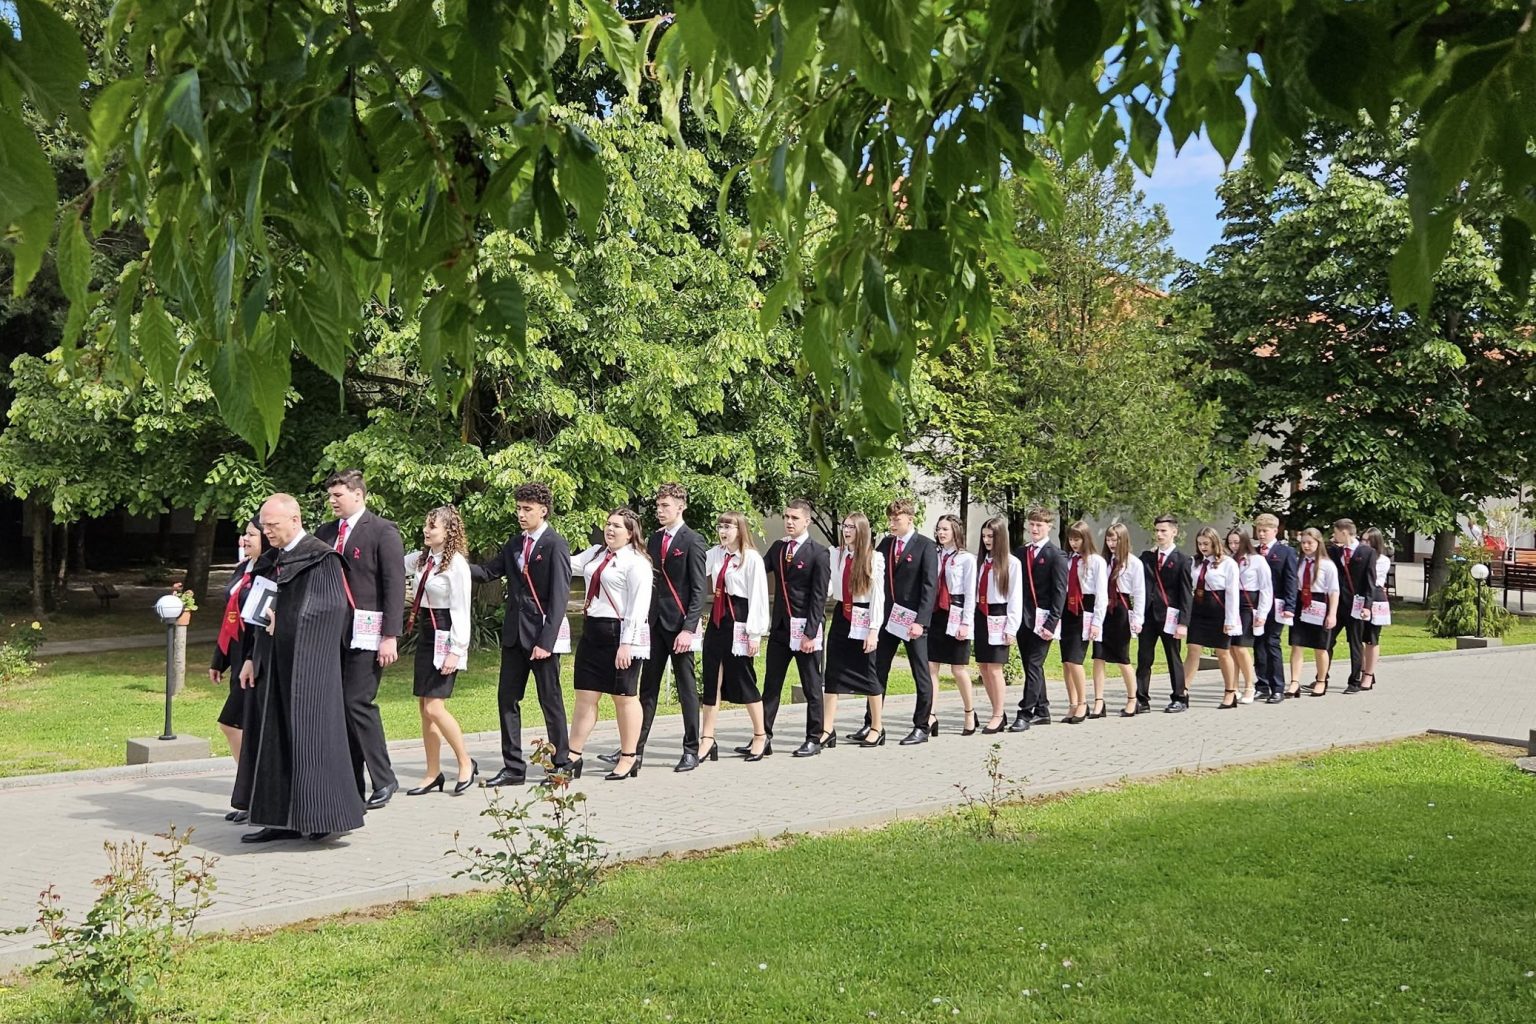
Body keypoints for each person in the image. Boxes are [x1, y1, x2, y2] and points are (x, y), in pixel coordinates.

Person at [236, 494, 365, 843]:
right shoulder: (273, 559)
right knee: (273, 738)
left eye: (272, 525)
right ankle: (277, 819)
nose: (267, 531)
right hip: (272, 665)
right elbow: (260, 612)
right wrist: (251, 657)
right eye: (264, 525)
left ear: (295, 520)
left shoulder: (321, 558)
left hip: (309, 670)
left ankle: (322, 818)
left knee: (311, 741)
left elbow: (330, 610)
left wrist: (285, 623)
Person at [314, 470, 404, 810]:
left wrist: (390, 636)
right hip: (332, 633)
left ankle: (384, 778)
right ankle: (351, 784)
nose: (332, 501)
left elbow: (394, 585)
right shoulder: (325, 533)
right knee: (340, 708)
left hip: (368, 632)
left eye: (338, 495)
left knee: (357, 701)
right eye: (330, 495)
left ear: (358, 494)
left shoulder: (382, 531)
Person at [473, 483, 573, 787]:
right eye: (518, 508)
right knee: (507, 699)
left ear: (543, 511)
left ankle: (561, 764)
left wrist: (546, 641)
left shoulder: (555, 544)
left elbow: (559, 598)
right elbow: (488, 573)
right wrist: (454, 565)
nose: (520, 514)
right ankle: (514, 768)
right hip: (514, 636)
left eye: (527, 509)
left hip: (540, 638)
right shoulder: (514, 544)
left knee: (550, 700)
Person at [611, 483, 708, 772]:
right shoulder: (654, 539)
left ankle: (691, 749)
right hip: (653, 624)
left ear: (681, 507)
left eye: (665, 505)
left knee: (686, 688)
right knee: (647, 689)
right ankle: (634, 749)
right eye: (658, 505)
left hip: (679, 625)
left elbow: (699, 590)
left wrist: (688, 628)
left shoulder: (693, 540)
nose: (660, 510)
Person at [565, 508, 654, 781]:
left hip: (620, 632)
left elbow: (638, 607)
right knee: (585, 695)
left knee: (624, 696)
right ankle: (573, 755)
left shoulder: (636, 562)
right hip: (593, 630)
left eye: (617, 526)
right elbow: (568, 564)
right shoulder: (596, 553)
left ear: (630, 533)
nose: (610, 529)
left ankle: (629, 756)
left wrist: (626, 644)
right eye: (608, 524)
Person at [402, 506, 478, 795]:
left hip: (446, 632)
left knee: (435, 706)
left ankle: (465, 762)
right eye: (426, 524)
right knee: (425, 708)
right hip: (426, 632)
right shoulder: (423, 559)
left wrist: (457, 650)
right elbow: (394, 563)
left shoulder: (456, 564)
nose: (426, 530)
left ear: (448, 531)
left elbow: (461, 608)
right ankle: (432, 772)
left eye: (432, 526)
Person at [860, 498, 939, 746]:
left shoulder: (925, 546)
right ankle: (872, 722)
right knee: (877, 669)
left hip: (912, 620)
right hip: (888, 619)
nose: (892, 523)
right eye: (890, 519)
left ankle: (922, 724)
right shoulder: (886, 544)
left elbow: (929, 587)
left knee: (920, 672)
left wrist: (921, 621)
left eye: (897, 519)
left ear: (910, 519)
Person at [209, 516, 271, 824]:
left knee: (233, 723)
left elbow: (260, 623)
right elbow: (229, 618)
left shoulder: (269, 571)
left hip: (255, 660)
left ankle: (255, 792)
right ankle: (250, 793)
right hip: (236, 656)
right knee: (236, 725)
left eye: (251, 535)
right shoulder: (242, 568)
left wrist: (250, 658)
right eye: (244, 534)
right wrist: (219, 659)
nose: (244, 539)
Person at [698, 512, 771, 761]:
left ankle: (760, 735)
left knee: (743, 678)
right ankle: (707, 738)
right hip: (718, 620)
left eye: (728, 527)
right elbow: (697, 567)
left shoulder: (751, 558)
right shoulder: (715, 554)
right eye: (720, 526)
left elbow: (759, 597)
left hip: (739, 620)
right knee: (711, 679)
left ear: (740, 530)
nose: (723, 531)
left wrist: (755, 634)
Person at [760, 499, 832, 757]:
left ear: (807, 521)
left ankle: (814, 738)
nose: (789, 522)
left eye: (795, 518)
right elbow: (758, 569)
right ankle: (763, 736)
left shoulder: (819, 553)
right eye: (786, 517)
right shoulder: (779, 548)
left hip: (805, 630)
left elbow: (818, 597)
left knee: (812, 686)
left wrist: (810, 633)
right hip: (781, 627)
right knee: (771, 685)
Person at [823, 513, 888, 746]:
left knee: (868, 673)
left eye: (852, 527)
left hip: (863, 616)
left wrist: (874, 630)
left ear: (862, 531)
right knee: (832, 673)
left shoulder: (874, 558)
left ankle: (877, 727)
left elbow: (878, 596)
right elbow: (830, 585)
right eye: (845, 526)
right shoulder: (836, 554)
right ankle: (827, 728)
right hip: (842, 615)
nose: (847, 530)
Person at [1012, 507, 1067, 731]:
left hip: (1044, 621)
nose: (1034, 529)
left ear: (1049, 527)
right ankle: (1042, 710)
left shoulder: (1056, 555)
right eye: (1032, 524)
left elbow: (1059, 593)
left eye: (1039, 525)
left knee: (1035, 664)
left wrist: (1051, 623)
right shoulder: (1020, 552)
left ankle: (1025, 712)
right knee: (1030, 666)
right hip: (1023, 620)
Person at [1136, 515, 1194, 714]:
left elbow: (1186, 594)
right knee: (1144, 658)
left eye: (1164, 531)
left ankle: (1179, 697)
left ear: (1174, 532)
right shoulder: (1147, 557)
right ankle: (1141, 699)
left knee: (1173, 657)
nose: (1159, 535)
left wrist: (1183, 623)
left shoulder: (1182, 560)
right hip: (1148, 615)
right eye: (1157, 531)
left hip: (1170, 616)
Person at [927, 513, 979, 734]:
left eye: (945, 529)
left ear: (956, 531)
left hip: (956, 613)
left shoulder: (967, 559)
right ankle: (930, 715)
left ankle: (969, 712)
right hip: (935, 614)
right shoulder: (934, 555)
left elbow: (970, 593)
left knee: (958, 669)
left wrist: (966, 623)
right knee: (931, 667)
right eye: (939, 529)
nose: (941, 533)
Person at [1182, 526, 1243, 708]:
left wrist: (1230, 620)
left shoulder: (1228, 563)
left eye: (1206, 544)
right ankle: (1182, 691)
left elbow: (1233, 593)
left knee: (1223, 652)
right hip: (1199, 609)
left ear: (1215, 543)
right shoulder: (1194, 562)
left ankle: (1230, 691)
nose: (1203, 547)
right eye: (1200, 544)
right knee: (1193, 649)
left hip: (1219, 609)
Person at [973, 516, 1022, 734]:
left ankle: (998, 714)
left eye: (991, 536)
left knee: (994, 668)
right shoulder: (981, 562)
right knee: (984, 667)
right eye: (984, 536)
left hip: (999, 616)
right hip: (981, 615)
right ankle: (996, 710)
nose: (986, 540)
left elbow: (1015, 598)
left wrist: (1011, 628)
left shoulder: (1012, 563)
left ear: (1000, 537)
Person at [1092, 523, 1146, 718]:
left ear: (1123, 540)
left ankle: (1132, 699)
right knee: (1098, 657)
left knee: (1122, 658)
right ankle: (1099, 701)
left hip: (1121, 610)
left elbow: (1139, 593)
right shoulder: (1103, 561)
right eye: (1108, 539)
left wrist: (1138, 619)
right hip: (1103, 610)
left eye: (1115, 539)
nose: (1111, 543)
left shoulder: (1133, 563)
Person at [1059, 520, 1108, 723]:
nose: (1073, 543)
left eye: (1077, 539)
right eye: (1071, 539)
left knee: (1075, 659)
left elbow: (1101, 594)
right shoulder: (1068, 560)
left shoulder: (1096, 561)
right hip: (1067, 610)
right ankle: (1072, 703)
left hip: (1085, 610)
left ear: (1085, 539)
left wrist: (1097, 622)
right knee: (1066, 662)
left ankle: (1083, 702)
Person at [1286, 527, 1340, 698]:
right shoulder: (1299, 562)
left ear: (1318, 543)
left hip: (1319, 603)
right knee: (1297, 644)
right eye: (1303, 543)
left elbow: (1333, 590)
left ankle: (1321, 680)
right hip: (1301, 602)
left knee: (1320, 646)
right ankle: (1294, 681)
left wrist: (1332, 614)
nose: (1306, 546)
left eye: (1310, 543)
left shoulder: (1327, 565)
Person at [1252, 513, 1298, 704]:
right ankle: (1262, 684)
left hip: (1276, 605)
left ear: (1275, 531)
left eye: (1265, 531)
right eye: (1259, 531)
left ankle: (1277, 687)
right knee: (1258, 644)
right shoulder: (1253, 552)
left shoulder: (1285, 552)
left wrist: (1290, 605)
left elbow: (1291, 580)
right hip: (1257, 605)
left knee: (1272, 642)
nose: (1261, 534)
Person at [1226, 527, 1274, 704]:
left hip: (1248, 604)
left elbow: (1266, 588)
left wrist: (1262, 613)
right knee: (1231, 648)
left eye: (1236, 542)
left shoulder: (1257, 560)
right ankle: (1233, 686)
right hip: (1231, 604)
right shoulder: (1228, 560)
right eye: (1230, 543)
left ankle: (1249, 686)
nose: (1233, 546)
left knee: (1241, 646)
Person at [1328, 518, 1376, 693]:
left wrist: (1367, 605)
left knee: (1355, 643)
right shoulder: (1335, 551)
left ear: (1344, 532)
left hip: (1356, 605)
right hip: (1337, 605)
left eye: (1336, 532)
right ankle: (1322, 676)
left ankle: (1354, 680)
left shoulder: (1367, 552)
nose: (1334, 536)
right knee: (1327, 640)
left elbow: (1370, 581)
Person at [1355, 527, 1393, 693]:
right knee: (1358, 637)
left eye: (1367, 541)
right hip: (1360, 597)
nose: (1363, 544)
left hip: (1375, 598)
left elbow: (1371, 579)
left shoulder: (1382, 560)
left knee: (1371, 638)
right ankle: (1363, 669)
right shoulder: (1358, 556)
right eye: (1362, 540)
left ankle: (1368, 674)